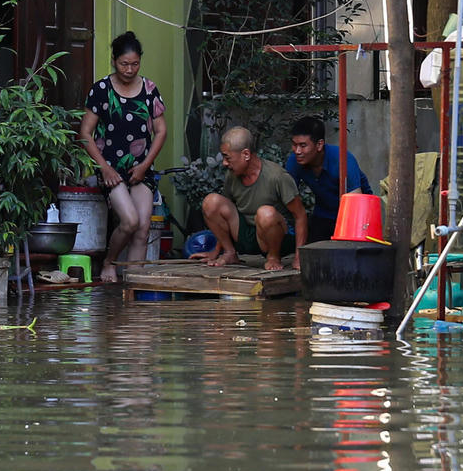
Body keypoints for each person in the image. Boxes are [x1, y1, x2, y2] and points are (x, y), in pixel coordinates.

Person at [79, 31, 168, 283]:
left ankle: (134, 282)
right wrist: (104, 168)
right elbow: (85, 133)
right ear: (114, 60)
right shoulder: (101, 90)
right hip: (112, 169)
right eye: (124, 64)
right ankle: (110, 261)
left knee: (142, 227)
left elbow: (161, 131)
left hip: (142, 168)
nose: (129, 69)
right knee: (128, 221)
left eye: (135, 64)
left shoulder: (150, 90)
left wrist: (145, 166)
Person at [190, 126, 307, 271]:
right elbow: (223, 216)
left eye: (228, 157)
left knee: (266, 213)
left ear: (246, 154)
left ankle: (273, 257)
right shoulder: (232, 175)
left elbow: (300, 215)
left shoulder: (277, 176)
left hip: (275, 236)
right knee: (211, 202)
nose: (225, 163)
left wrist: (298, 257)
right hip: (245, 232)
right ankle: (230, 252)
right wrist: (216, 250)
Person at [286, 116, 374, 244]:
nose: (297, 151)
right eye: (294, 145)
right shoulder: (295, 161)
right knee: (313, 253)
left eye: (303, 145)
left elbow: (356, 202)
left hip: (356, 218)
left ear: (319, 145)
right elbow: (286, 195)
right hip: (323, 216)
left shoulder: (343, 159)